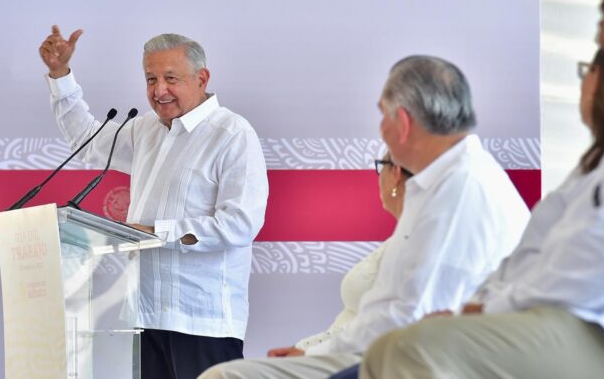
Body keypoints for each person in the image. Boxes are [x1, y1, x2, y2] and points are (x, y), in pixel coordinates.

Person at [358, 0, 604, 378]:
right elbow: (547, 246)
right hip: (588, 318)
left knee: (411, 351)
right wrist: (486, 306)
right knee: (396, 350)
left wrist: (490, 310)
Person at [200, 55, 531, 378]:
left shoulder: (458, 190)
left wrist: (315, 353)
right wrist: (312, 351)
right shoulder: (452, 180)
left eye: (382, 115)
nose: (381, 130)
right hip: (393, 352)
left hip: (413, 360)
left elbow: (406, 316)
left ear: (402, 122)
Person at [38, 27, 269, 379]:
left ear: (201, 78)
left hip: (203, 322)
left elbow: (240, 222)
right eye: (150, 79)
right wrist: (60, 75)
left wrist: (156, 232)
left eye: (170, 78)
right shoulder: (145, 129)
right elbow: (86, 139)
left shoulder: (232, 134)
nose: (158, 90)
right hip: (145, 317)